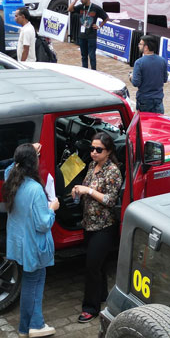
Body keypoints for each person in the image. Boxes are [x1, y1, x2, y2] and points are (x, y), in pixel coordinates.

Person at [3, 143, 59, 338]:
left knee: (30, 281)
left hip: (19, 242)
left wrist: (28, 151)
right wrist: (52, 208)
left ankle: (25, 327)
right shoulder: (35, 189)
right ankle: (35, 324)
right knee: (34, 283)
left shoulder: (11, 179)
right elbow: (43, 224)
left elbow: (9, 168)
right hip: (34, 245)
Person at [70, 132, 123, 323]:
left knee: (92, 266)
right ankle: (101, 295)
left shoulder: (113, 171)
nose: (93, 152)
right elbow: (86, 187)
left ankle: (90, 308)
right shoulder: (93, 166)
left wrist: (89, 190)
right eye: (92, 148)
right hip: (89, 223)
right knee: (98, 264)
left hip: (104, 226)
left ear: (108, 151)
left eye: (98, 150)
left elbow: (110, 200)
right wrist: (78, 190)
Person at [69, 0, 107, 69]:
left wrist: (99, 26)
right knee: (84, 56)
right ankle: (85, 72)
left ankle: (93, 72)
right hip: (82, 36)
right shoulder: (80, 7)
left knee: (92, 56)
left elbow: (106, 18)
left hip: (91, 36)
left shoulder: (95, 8)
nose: (81, 0)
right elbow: (70, 9)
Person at [131, 33, 168, 113]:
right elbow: (165, 79)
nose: (138, 46)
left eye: (140, 44)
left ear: (146, 47)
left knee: (144, 120)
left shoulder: (139, 62)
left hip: (144, 100)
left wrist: (131, 77)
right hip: (158, 99)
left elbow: (136, 83)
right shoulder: (162, 61)